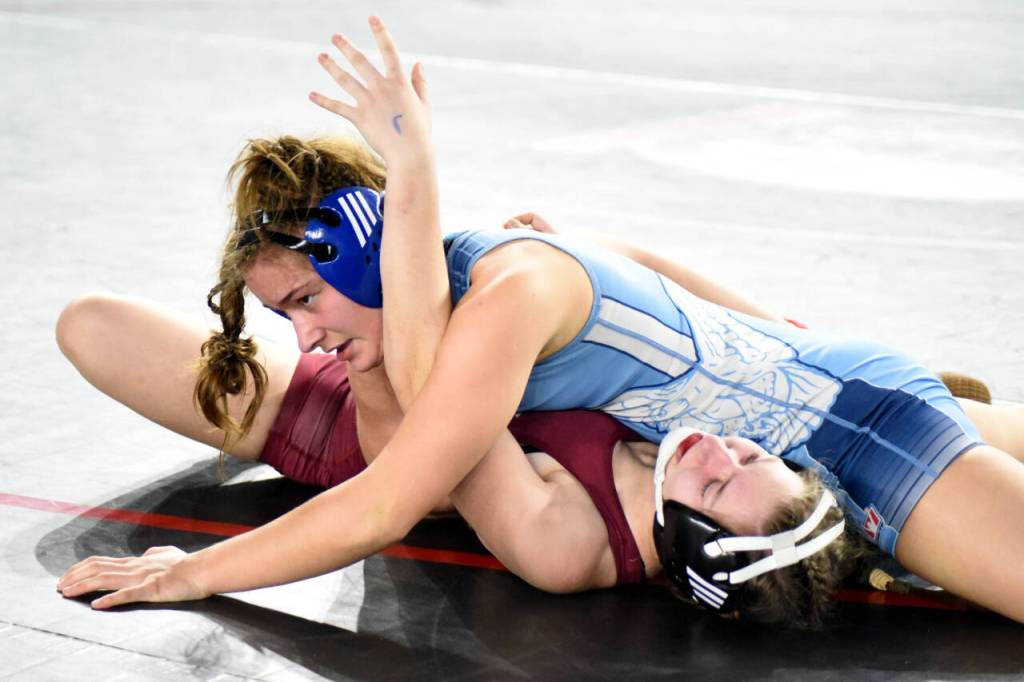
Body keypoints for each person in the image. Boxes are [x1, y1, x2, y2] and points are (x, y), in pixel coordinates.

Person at [56, 17, 1024, 625]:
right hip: (821, 385)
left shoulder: (501, 302)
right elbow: (637, 269)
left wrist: (194, 573)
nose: (302, 331)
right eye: (285, 313)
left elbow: (391, 497)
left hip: (848, 432)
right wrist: (777, 326)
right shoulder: (500, 277)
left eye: (307, 300)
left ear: (367, 251)